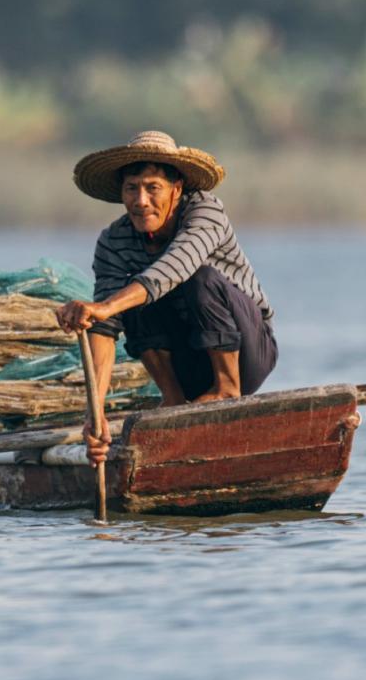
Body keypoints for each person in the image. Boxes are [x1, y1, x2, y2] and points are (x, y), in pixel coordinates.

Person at [56, 130, 278, 465]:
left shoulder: (206, 212)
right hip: (185, 358)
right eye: (132, 189)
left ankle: (225, 389)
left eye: (152, 188)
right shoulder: (114, 241)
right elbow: (103, 329)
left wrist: (104, 307)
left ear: (176, 190)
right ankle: (172, 398)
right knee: (127, 297)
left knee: (196, 278)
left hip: (248, 351)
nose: (141, 200)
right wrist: (96, 414)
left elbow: (175, 269)